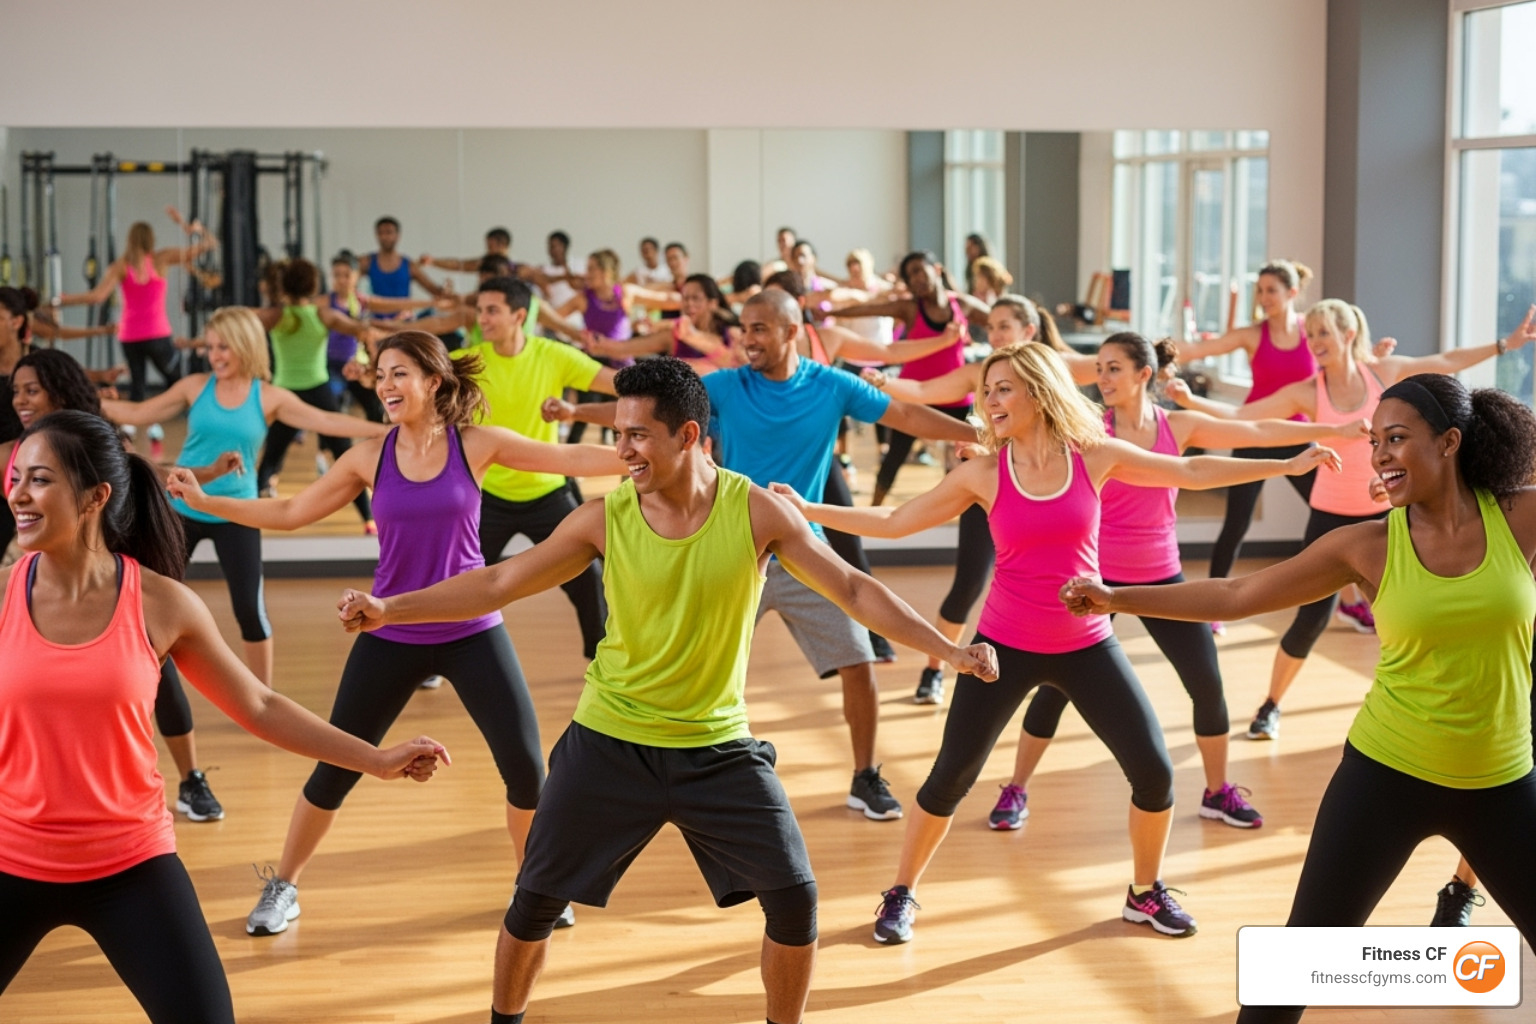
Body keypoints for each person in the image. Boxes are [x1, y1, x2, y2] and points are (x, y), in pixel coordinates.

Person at [336, 356, 999, 1024]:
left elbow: (854, 588)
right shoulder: (605, 518)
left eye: (637, 436)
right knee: (534, 897)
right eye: (618, 433)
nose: (621, 449)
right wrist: (392, 608)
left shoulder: (756, 512)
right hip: (609, 740)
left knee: (795, 899)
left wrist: (944, 650)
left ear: (687, 437)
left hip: (717, 748)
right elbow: (498, 583)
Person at [771, 342, 1336, 944]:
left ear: (1039, 392)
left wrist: (1287, 465)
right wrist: (808, 510)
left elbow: (1191, 471)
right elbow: (892, 523)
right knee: (949, 779)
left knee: (1155, 773)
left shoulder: (1093, 456)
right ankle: (902, 892)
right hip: (1001, 648)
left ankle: (1144, 893)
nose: (989, 402)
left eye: (1003, 389)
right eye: (986, 391)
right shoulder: (984, 472)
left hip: (1087, 644)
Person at [1063, 372, 1536, 1024]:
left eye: (1396, 439)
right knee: (1289, 976)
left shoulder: (1520, 518)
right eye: (1375, 442)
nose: (1381, 457)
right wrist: (1117, 596)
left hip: (1502, 784)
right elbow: (1236, 595)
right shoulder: (1366, 545)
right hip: (1385, 778)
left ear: (1450, 441)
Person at [166, 330, 626, 935]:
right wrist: (212, 502)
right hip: (391, 631)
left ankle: (536, 886)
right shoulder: (369, 456)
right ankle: (284, 885)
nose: (385, 385)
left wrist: (649, 453)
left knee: (524, 768)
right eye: (381, 374)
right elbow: (290, 512)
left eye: (399, 373)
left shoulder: (475, 444)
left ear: (433, 382)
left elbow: (571, 461)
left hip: (471, 628)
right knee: (335, 767)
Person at [0, 409, 445, 1024]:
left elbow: (259, 706)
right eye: (16, 476)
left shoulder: (160, 603)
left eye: (39, 479)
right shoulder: (4, 595)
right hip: (12, 857)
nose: (18, 494)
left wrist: (375, 758)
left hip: (130, 864)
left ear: (94, 497)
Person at [550, 290, 986, 821]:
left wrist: (978, 432)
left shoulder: (831, 386)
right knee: (678, 663)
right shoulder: (728, 389)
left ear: (791, 331)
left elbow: (906, 416)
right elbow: (648, 415)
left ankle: (865, 776)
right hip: (729, 552)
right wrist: (575, 409)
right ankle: (656, 768)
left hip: (799, 550)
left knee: (858, 661)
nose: (747, 340)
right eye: (744, 329)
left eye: (759, 329)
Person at [991, 332, 1368, 832]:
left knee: (1207, 684)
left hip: (1162, 576)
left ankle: (1216, 791)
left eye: (1112, 369)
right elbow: (1022, 432)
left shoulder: (1178, 425)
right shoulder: (1087, 432)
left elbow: (1253, 428)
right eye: (1098, 369)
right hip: (1097, 580)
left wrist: (1315, 444)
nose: (1100, 379)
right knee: (1054, 691)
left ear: (1144, 375)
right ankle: (1016, 787)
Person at [1171, 300, 1536, 740]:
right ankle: (1271, 704)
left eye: (1324, 333)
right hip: (1331, 515)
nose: (1315, 343)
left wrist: (1505, 345)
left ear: (1348, 335)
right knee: (1309, 620)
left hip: (1388, 509)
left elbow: (1445, 362)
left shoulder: (1384, 373)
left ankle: (1422, 697)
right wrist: (1191, 402)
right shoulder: (1308, 390)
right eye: (1311, 335)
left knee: (1415, 616)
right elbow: (1246, 418)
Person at [102, 307, 390, 821]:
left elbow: (325, 421)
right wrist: (94, 402)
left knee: (249, 611)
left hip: (237, 510)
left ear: (244, 346)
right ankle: (140, 688)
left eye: (222, 347)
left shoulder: (270, 396)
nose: (214, 356)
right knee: (153, 606)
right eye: (210, 347)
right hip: (181, 508)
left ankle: (261, 700)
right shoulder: (195, 386)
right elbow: (143, 413)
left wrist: (385, 425)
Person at [862, 294, 1091, 703]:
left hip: (1047, 496)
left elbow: (1109, 372)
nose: (995, 333)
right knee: (969, 583)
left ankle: (1059, 669)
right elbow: (922, 389)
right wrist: (881, 380)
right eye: (991, 326)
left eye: (1004, 325)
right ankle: (936, 669)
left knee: (1061, 586)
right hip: (991, 492)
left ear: (1029, 331)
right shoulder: (979, 372)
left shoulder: (1053, 371)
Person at [462, 276, 620, 658]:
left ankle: (604, 661)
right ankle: (431, 657)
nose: (482, 318)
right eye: (480, 310)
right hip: (488, 496)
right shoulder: (468, 362)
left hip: (546, 493)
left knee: (588, 579)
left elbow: (616, 382)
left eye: (492, 310)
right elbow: (419, 381)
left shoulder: (552, 355)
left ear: (519, 315)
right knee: (457, 583)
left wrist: (665, 386)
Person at [1173, 260, 1320, 595]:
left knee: (1330, 515)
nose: (1263, 298)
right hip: (1252, 434)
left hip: (1298, 437)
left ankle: (1342, 596)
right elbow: (1199, 349)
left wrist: (1376, 356)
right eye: (1259, 290)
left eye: (1271, 291)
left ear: (1291, 293)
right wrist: (1155, 353)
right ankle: (1214, 601)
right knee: (1237, 523)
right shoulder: (1253, 335)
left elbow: (1345, 355)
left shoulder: (1311, 331)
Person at [827, 251, 992, 505]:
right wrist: (829, 313)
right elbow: (871, 308)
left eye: (918, 270)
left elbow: (998, 317)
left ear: (936, 269)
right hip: (914, 394)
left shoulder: (961, 304)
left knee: (968, 457)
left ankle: (963, 515)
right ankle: (873, 512)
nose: (916, 278)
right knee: (894, 459)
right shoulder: (910, 307)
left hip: (956, 395)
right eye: (910, 275)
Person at [56, 208, 218, 458]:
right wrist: (192, 229)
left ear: (130, 240)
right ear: (150, 240)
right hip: (156, 334)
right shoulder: (162, 259)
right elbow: (209, 245)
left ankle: (143, 428)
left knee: (139, 384)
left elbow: (96, 296)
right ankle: (168, 424)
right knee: (177, 378)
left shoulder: (122, 266)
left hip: (130, 335)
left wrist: (64, 300)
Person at [252, 259, 381, 527]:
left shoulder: (276, 315)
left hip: (285, 395)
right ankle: (368, 519)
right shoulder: (322, 313)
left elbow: (241, 323)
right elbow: (357, 328)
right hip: (318, 392)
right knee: (343, 453)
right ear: (313, 285)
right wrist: (370, 354)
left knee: (271, 457)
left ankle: (245, 517)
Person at [325, 249, 443, 422]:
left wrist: (432, 302)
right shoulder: (325, 302)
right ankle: (325, 448)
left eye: (346, 275)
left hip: (357, 364)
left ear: (357, 276)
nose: (341, 280)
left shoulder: (361, 301)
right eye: (336, 275)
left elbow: (397, 303)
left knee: (374, 409)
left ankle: (380, 443)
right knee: (330, 406)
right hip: (332, 364)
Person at [358, 216, 445, 307]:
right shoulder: (367, 262)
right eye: (381, 233)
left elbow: (434, 290)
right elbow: (348, 282)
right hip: (376, 318)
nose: (385, 237)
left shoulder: (409, 266)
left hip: (404, 318)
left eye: (389, 233)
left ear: (397, 236)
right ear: (377, 235)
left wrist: (445, 291)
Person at [420, 227, 516, 274]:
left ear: (502, 245)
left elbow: (459, 265)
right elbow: (460, 265)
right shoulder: (486, 262)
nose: (488, 251)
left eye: (490, 246)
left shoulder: (515, 270)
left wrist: (434, 262)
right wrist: (433, 261)